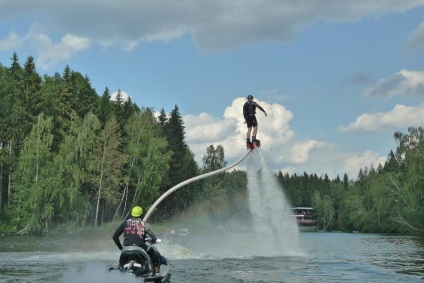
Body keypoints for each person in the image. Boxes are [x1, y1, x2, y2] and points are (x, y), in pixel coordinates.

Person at [113, 205, 162, 273]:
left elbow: (115, 236)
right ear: (142, 215)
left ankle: (120, 269)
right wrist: (153, 241)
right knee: (152, 251)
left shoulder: (125, 223)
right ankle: (156, 270)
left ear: (132, 214)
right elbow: (153, 237)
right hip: (140, 248)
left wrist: (121, 248)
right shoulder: (145, 224)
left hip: (126, 249)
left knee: (121, 262)